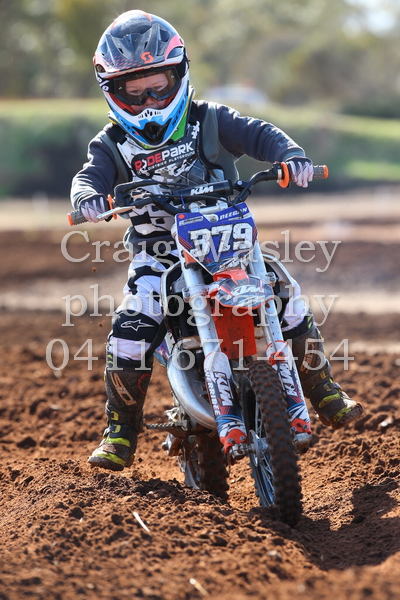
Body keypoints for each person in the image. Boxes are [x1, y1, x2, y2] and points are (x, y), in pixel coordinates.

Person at [71, 10, 363, 472]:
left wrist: (289, 155)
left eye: (158, 85)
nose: (149, 100)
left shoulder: (210, 118)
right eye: (134, 90)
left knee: (284, 292)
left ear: (178, 74)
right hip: (160, 253)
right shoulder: (110, 144)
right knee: (131, 325)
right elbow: (89, 177)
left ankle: (322, 389)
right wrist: (87, 197)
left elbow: (258, 133)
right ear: (113, 91)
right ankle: (121, 430)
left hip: (227, 240)